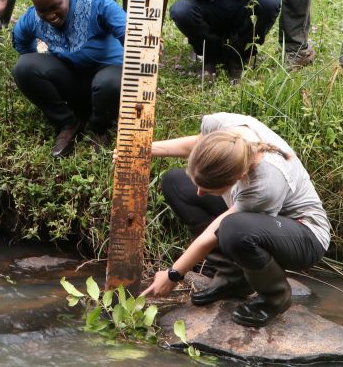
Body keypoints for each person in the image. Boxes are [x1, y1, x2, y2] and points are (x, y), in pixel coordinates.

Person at [140, 113, 330, 328]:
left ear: (239, 177)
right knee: (175, 182)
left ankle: (275, 296)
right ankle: (234, 278)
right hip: (257, 220)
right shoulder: (223, 126)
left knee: (234, 229)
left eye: (210, 189)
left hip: (304, 235)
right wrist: (143, 149)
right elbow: (197, 143)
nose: (201, 193)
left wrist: (174, 274)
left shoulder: (264, 186)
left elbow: (213, 233)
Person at [11, 0, 126, 157]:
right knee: (24, 67)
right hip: (74, 82)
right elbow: (21, 42)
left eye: (56, 6)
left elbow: (130, 34)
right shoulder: (32, 18)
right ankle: (68, 122)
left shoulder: (97, 3)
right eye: (43, 10)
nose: (50, 15)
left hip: (109, 79)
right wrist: (44, 65)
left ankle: (99, 127)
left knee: (110, 83)